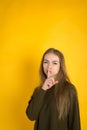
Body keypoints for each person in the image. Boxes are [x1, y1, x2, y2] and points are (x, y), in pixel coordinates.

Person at [26, 48, 81, 130]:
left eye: (54, 63)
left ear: (60, 66)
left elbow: (75, 123)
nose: (49, 66)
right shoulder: (39, 90)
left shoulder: (69, 89)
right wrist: (43, 89)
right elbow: (31, 115)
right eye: (46, 62)